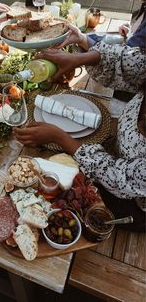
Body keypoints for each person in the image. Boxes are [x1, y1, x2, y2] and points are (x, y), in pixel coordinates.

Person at [13, 44, 146, 232]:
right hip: (111, 151)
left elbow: (118, 178)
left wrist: (59, 137)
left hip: (130, 202)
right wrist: (79, 59)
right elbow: (130, 61)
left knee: (79, 217)